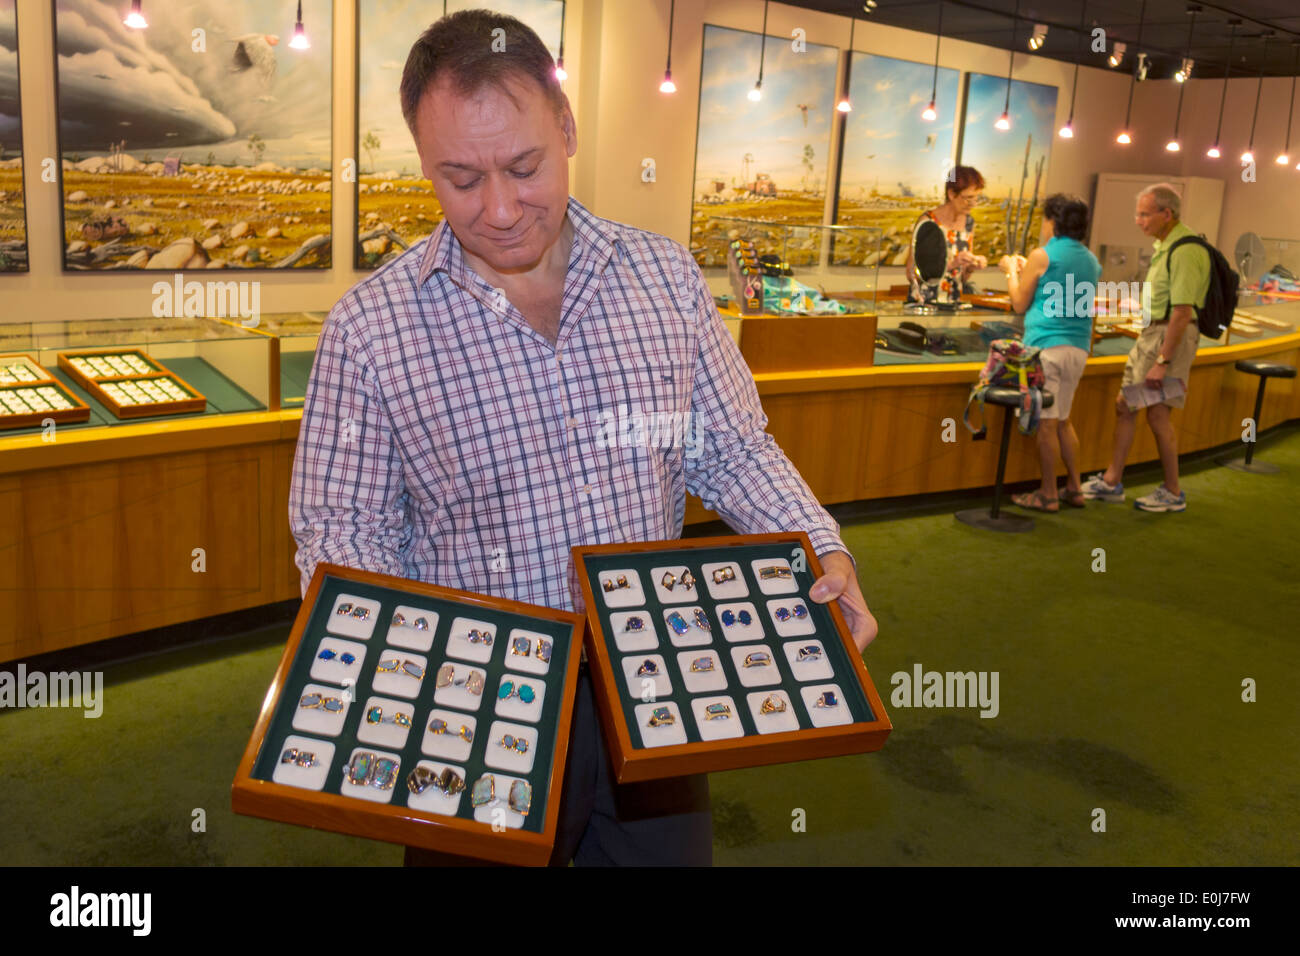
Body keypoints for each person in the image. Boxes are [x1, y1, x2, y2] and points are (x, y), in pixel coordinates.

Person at [288, 10, 878, 867]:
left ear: (565, 128)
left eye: (524, 167)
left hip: (657, 688)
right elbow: (344, 532)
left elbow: (734, 447)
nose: (498, 210)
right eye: (459, 178)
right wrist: (389, 671)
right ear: (422, 163)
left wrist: (824, 547)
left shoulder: (665, 278)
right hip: (476, 710)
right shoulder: (369, 329)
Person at [1080, 184, 1208, 512]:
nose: (1138, 220)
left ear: (1167, 214)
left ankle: (1172, 491)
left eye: (1144, 213)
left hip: (1167, 340)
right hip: (1152, 335)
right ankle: (1112, 480)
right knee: (1126, 406)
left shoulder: (1185, 249)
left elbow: (1181, 312)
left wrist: (1162, 360)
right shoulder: (1165, 245)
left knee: (1158, 414)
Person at [998, 194, 1101, 511]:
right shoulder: (1090, 259)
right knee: (1064, 420)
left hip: (1046, 346)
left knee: (1045, 423)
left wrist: (1011, 271)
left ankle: (1047, 493)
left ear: (1053, 221)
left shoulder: (1042, 255)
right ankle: (1074, 487)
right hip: (1078, 347)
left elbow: (1019, 302)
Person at [905, 165, 988, 306]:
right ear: (951, 194)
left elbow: (962, 278)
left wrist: (972, 266)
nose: (973, 204)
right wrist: (952, 264)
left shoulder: (968, 223)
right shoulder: (929, 222)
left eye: (976, 198)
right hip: (925, 304)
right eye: (968, 198)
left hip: (953, 304)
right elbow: (912, 273)